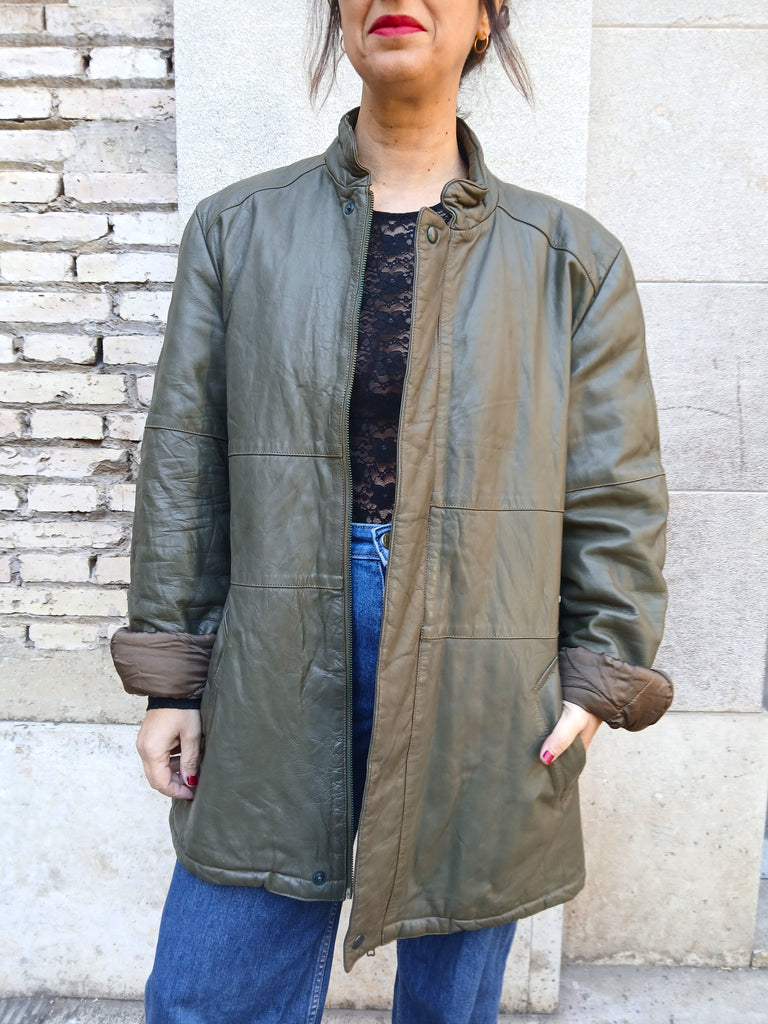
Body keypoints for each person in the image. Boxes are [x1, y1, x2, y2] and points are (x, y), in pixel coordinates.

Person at [111, 2, 674, 1021]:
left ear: (487, 20)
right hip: (277, 647)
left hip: (488, 660)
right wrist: (173, 680)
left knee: (451, 1000)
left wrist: (596, 678)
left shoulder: (569, 257)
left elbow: (615, 490)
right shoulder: (238, 230)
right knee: (210, 992)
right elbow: (186, 463)